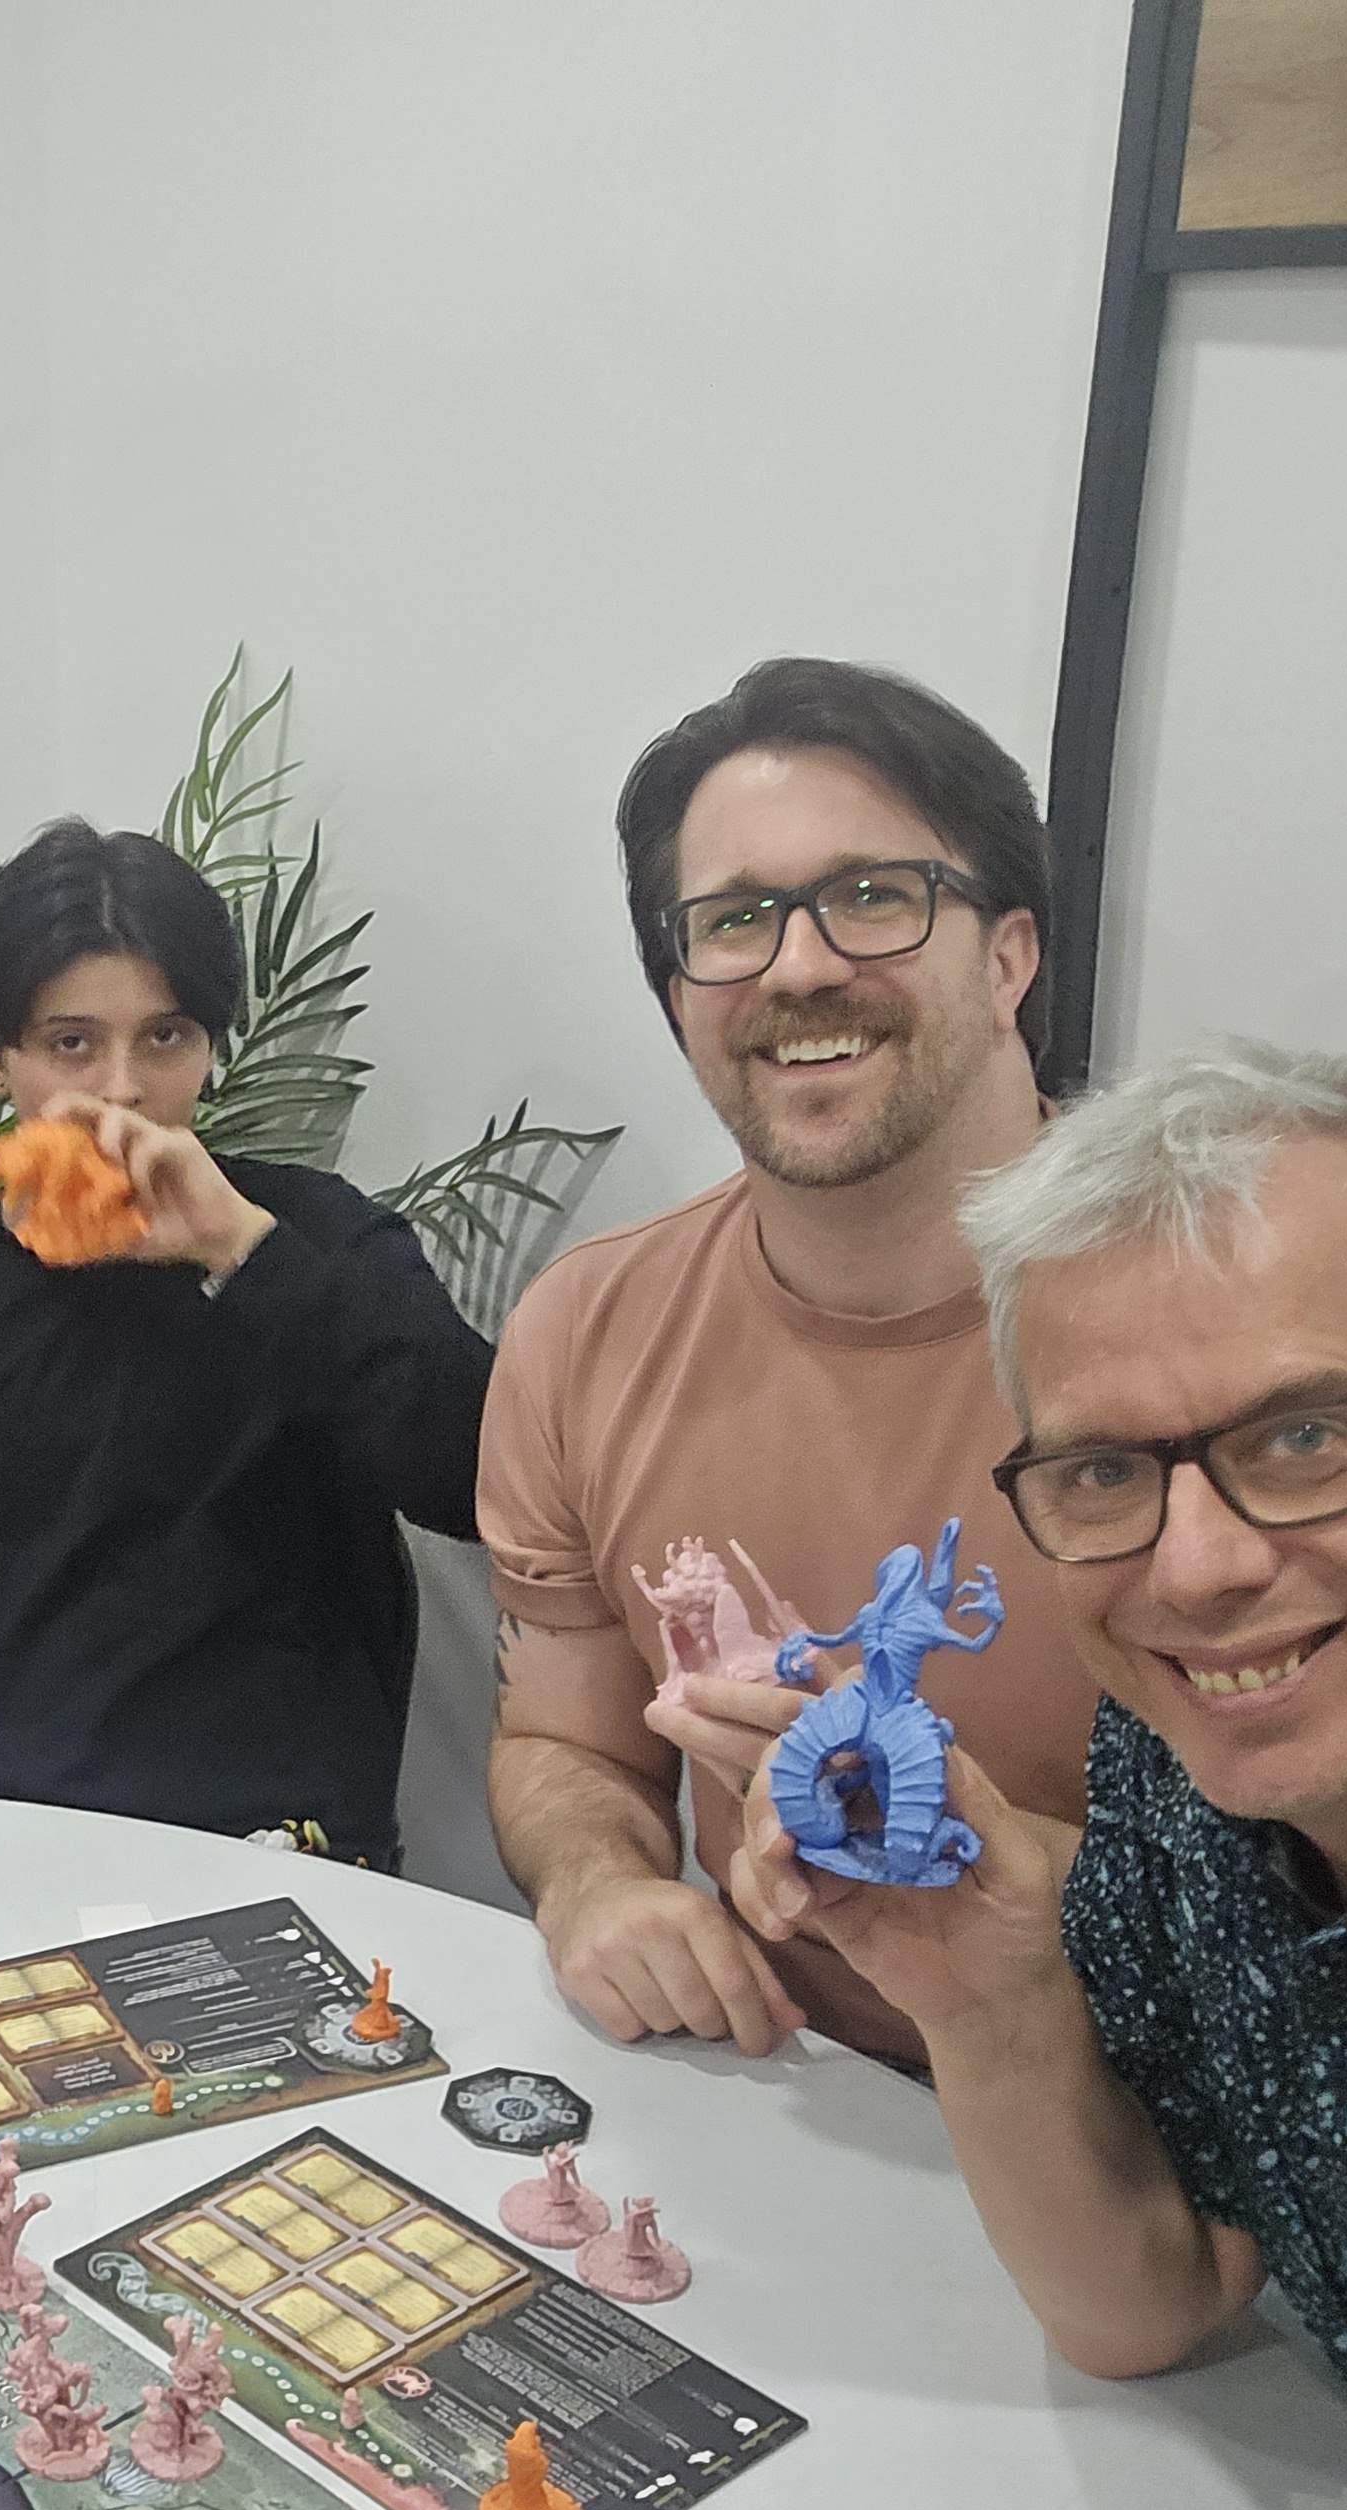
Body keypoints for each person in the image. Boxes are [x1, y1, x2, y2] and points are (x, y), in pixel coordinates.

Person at [727, 1043, 1347, 2510]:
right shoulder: (1180, 1759)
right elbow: (1154, 2300)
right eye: (1105, 1471)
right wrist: (986, 1994)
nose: (1200, 1567)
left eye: (1305, 1435)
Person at [482, 659, 1103, 2067]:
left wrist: (961, 1856)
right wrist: (603, 1886)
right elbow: (567, 1750)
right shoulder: (581, 1337)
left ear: (1009, 955)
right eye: (735, 920)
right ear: (677, 997)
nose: (801, 965)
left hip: (1207, 2179)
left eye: (875, 895)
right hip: (793, 2113)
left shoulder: (1216, 1326)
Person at [0, 821, 492, 1863]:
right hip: (1, 1853)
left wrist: (241, 1253)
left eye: (165, 1038)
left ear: (209, 1048)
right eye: (72, 1043)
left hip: (284, 1845)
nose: (122, 1089)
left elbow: (481, 1478)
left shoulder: (316, 1239)